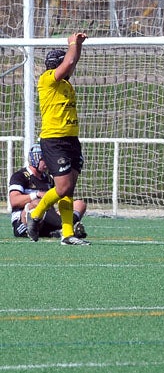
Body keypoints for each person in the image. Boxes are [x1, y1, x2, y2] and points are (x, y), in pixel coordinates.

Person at [25, 32, 91, 245]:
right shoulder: (47, 80)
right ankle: (36, 215)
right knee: (62, 188)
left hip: (71, 140)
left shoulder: (66, 84)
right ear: (56, 65)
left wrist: (78, 45)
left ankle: (67, 234)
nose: (69, 68)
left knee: (69, 189)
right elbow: (70, 61)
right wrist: (72, 43)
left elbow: (72, 61)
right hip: (54, 140)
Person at [10, 143, 87, 239]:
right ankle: (67, 227)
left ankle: (60, 230)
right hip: (23, 222)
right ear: (35, 158)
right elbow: (14, 201)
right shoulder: (20, 176)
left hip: (47, 218)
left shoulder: (49, 178)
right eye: (45, 159)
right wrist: (37, 194)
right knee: (37, 203)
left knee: (80, 204)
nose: (48, 162)